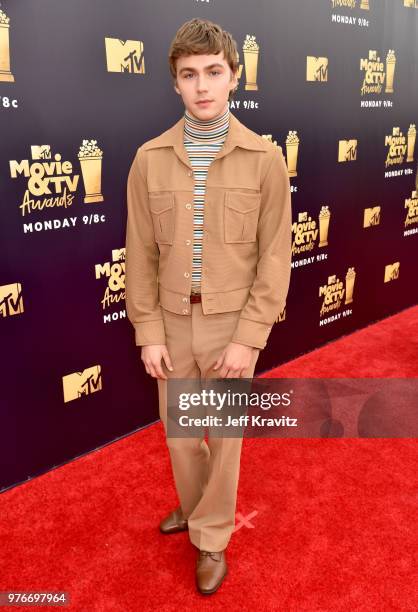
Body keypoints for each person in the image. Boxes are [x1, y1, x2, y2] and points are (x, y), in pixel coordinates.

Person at [125, 17, 292, 595]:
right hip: (171, 324)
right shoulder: (148, 159)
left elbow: (275, 257)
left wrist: (249, 337)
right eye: (189, 75)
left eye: (213, 72)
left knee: (223, 442)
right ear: (175, 83)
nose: (202, 86)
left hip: (230, 327)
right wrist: (148, 330)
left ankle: (212, 538)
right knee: (179, 436)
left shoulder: (265, 158)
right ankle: (197, 511)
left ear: (234, 77)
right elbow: (138, 254)